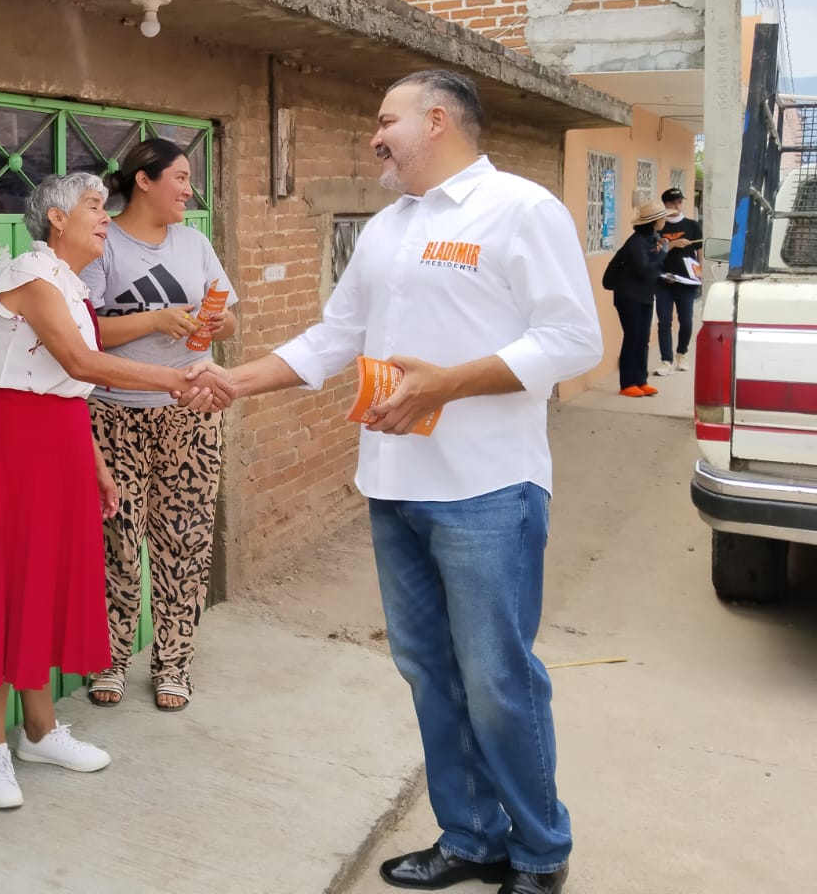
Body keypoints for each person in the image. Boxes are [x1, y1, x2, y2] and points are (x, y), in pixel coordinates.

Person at [212, 71, 601, 894]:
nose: (374, 135)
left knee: (498, 678)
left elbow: (572, 341)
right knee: (428, 669)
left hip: (488, 490)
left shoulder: (521, 210)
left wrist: (447, 383)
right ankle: (470, 837)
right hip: (394, 485)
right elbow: (336, 334)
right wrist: (233, 381)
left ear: (435, 121)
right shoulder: (391, 226)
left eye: (384, 119)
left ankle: (539, 851)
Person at [0, 172, 234, 811]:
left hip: (65, 438)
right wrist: (175, 378)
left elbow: (73, 389)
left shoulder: (70, 285)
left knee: (46, 580)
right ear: (55, 220)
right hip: (18, 440)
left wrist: (97, 465)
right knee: (6, 581)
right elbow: (80, 363)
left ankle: (40, 729)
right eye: (94, 208)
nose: (106, 217)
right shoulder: (31, 277)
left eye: (104, 206)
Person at [80, 138, 238, 712]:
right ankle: (111, 659)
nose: (188, 190)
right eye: (179, 177)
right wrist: (155, 319)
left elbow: (227, 314)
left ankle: (173, 664)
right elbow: (85, 330)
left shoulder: (195, 243)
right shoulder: (104, 244)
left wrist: (211, 326)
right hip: (114, 413)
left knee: (186, 539)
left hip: (189, 413)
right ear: (143, 181)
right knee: (117, 541)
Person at [606, 201, 670, 398]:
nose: (665, 220)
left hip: (645, 295)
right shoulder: (636, 243)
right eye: (662, 217)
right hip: (629, 296)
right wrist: (663, 254)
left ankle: (641, 380)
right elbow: (644, 270)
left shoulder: (653, 238)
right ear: (654, 221)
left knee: (643, 338)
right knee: (632, 337)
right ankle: (627, 383)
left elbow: (653, 269)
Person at [653, 186, 702, 376]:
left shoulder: (692, 226)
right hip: (663, 279)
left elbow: (699, 253)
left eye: (680, 202)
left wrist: (700, 273)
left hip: (686, 281)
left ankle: (682, 353)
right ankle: (666, 361)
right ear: (664, 204)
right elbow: (652, 251)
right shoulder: (658, 226)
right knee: (664, 321)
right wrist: (672, 244)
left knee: (686, 320)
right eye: (672, 202)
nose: (677, 206)